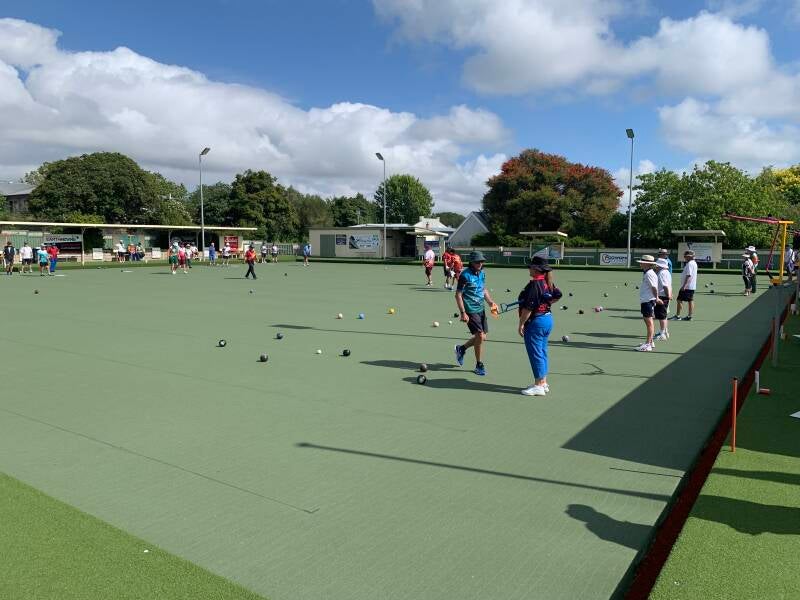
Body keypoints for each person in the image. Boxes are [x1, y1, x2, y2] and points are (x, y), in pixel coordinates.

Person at [518, 256, 562, 396]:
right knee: (542, 352)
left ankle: (538, 386)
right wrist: (545, 303)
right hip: (547, 319)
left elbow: (528, 308)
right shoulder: (547, 282)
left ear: (536, 269)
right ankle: (543, 383)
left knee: (536, 353)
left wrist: (521, 324)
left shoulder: (535, 284)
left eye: (531, 267)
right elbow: (557, 295)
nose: (529, 269)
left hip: (536, 322)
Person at [454, 251, 498, 376]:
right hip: (470, 310)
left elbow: (483, 289)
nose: (480, 264)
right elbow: (458, 295)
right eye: (478, 262)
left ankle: (461, 349)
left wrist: (490, 302)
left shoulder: (482, 273)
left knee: (483, 337)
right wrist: (463, 312)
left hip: (481, 308)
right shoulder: (465, 275)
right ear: (472, 262)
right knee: (479, 335)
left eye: (482, 261)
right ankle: (479, 364)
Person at [636, 255, 661, 351]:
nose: (640, 264)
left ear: (647, 264)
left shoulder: (649, 274)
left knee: (649, 323)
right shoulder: (647, 272)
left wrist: (657, 298)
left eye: (642, 262)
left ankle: (648, 345)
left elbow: (654, 287)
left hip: (648, 301)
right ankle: (650, 342)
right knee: (649, 323)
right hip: (646, 300)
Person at [671, 250, 697, 321]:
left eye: (686, 256)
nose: (685, 257)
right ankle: (689, 316)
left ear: (690, 257)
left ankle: (678, 316)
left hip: (687, 286)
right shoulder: (693, 263)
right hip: (690, 286)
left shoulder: (690, 264)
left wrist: (684, 286)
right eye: (685, 256)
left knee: (679, 300)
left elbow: (689, 275)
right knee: (690, 300)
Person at [653, 258, 672, 341]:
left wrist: (668, 296)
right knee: (664, 315)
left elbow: (665, 286)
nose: (655, 267)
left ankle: (662, 334)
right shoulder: (667, 272)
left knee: (661, 316)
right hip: (665, 296)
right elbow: (669, 285)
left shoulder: (661, 273)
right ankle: (664, 331)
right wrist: (669, 295)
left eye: (656, 265)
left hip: (662, 296)